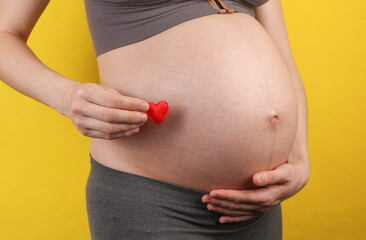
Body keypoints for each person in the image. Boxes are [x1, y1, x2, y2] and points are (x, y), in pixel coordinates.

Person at [0, 0, 310, 239]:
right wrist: (66, 96)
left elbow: (283, 55)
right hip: (152, 198)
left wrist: (298, 160)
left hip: (258, 203)